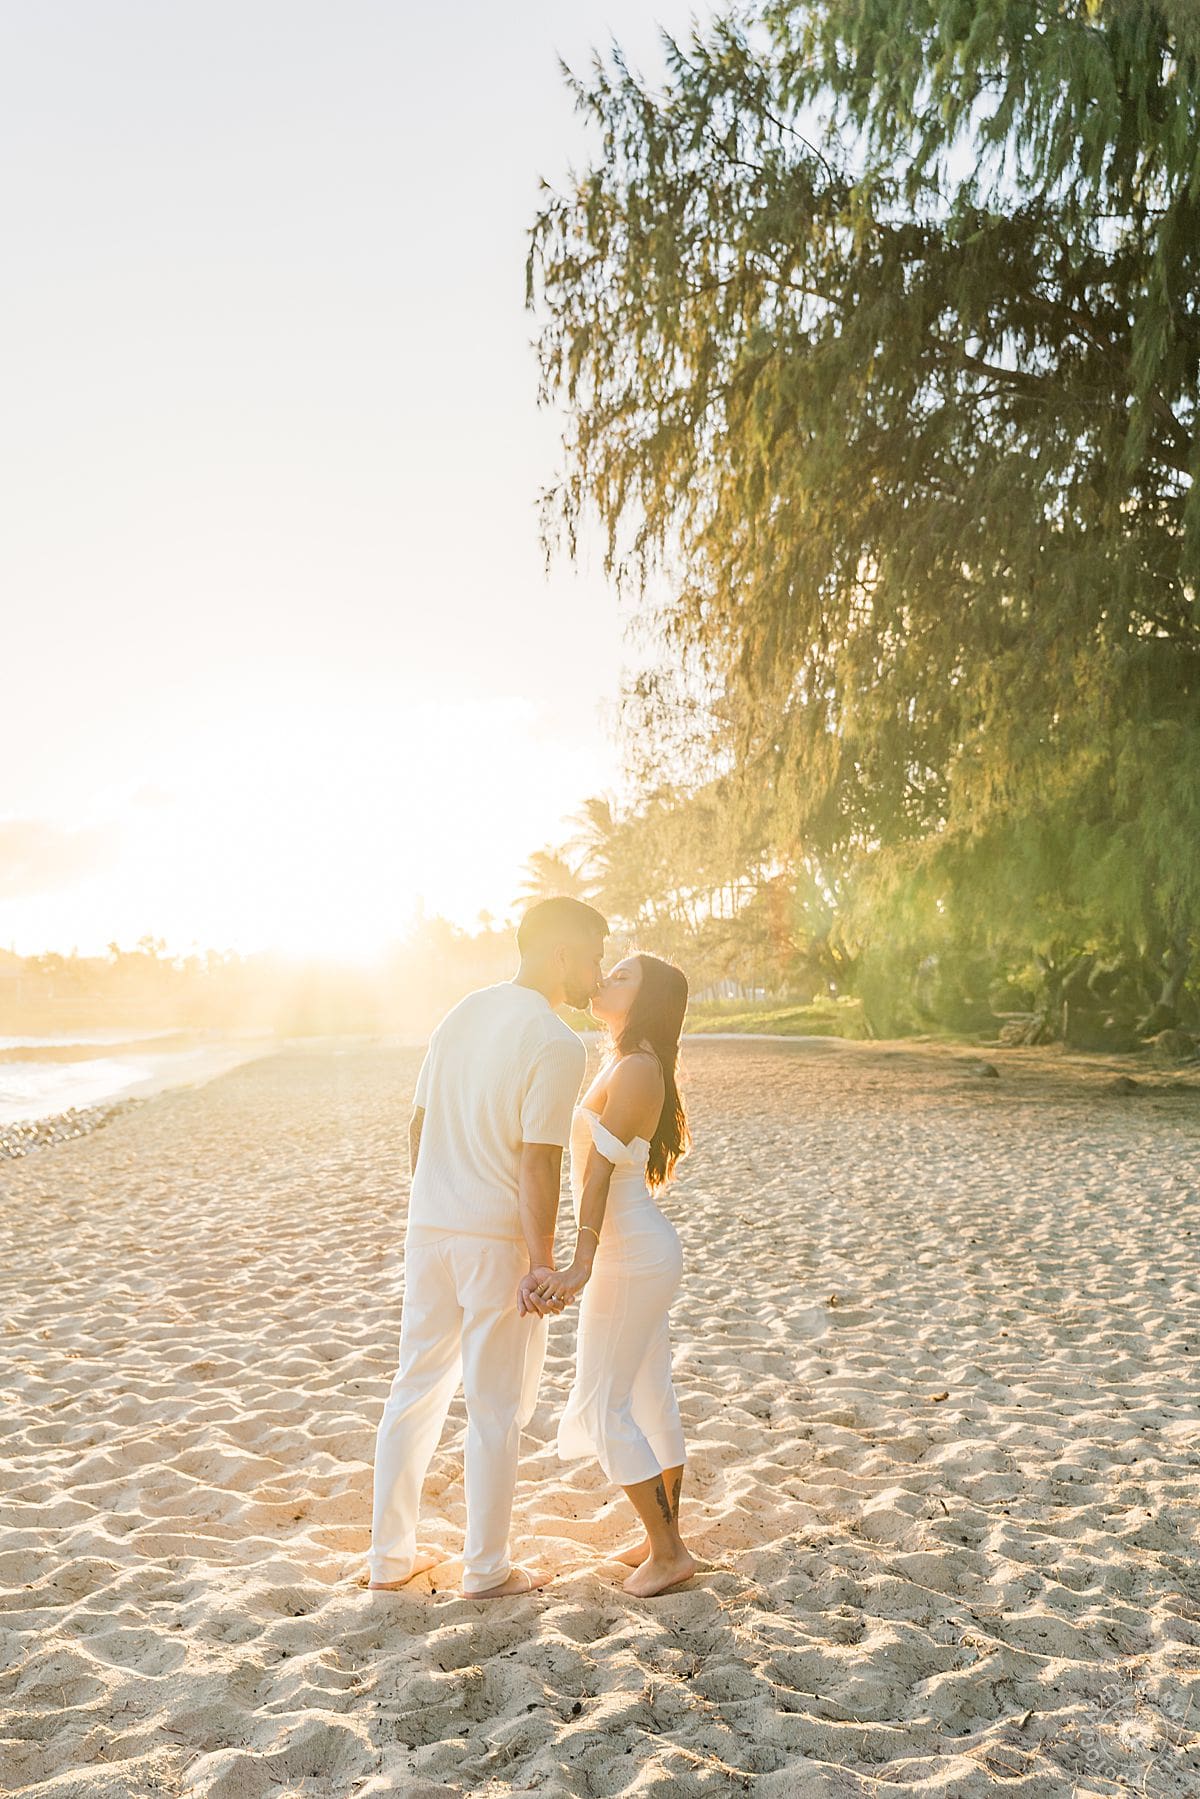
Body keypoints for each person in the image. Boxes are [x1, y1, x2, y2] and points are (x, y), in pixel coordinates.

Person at [365, 896, 606, 1599]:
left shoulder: (461, 1013)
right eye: (593, 957)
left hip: (429, 1230)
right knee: (496, 1408)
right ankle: (487, 1569)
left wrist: (434, 1200)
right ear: (561, 953)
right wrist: (541, 1261)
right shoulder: (557, 1041)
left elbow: (417, 1127)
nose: (597, 973)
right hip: (494, 1242)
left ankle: (388, 1560)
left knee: (414, 1390)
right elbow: (539, 1162)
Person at [538, 951, 698, 1597]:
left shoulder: (636, 1067)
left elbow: (599, 1171)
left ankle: (668, 1551)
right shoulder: (628, 1060)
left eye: (625, 976)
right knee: (650, 1396)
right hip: (637, 1251)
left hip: (629, 1255)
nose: (607, 978)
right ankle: (664, 1537)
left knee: (604, 1405)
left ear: (646, 999)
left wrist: (581, 1261)